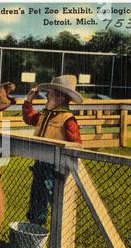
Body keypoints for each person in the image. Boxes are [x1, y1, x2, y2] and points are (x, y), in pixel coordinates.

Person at [22, 75, 83, 226]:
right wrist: (29, 100)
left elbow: (76, 144)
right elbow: (29, 118)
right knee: (37, 198)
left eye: (50, 94)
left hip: (55, 167)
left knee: (55, 200)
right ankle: (35, 227)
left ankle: (61, 230)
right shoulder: (45, 114)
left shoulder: (68, 119)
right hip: (40, 164)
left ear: (61, 98)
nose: (47, 97)